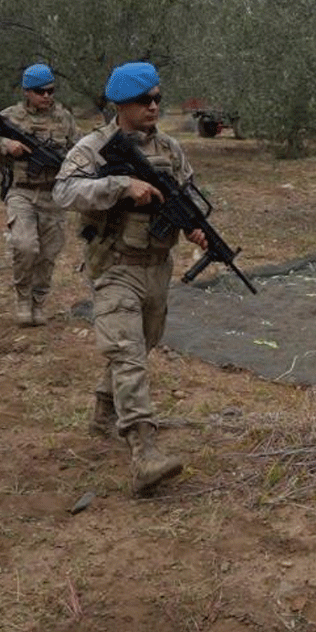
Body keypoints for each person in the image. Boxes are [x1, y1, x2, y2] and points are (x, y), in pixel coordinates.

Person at [52, 62, 207, 496]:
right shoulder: (94, 147)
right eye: (144, 100)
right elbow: (63, 191)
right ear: (120, 104)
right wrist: (120, 186)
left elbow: (188, 193)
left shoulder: (171, 149)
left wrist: (195, 226)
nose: (153, 107)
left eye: (157, 98)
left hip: (157, 267)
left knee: (141, 344)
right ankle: (144, 453)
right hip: (115, 266)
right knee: (127, 353)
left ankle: (104, 410)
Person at [0, 63, 82, 327]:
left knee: (48, 255)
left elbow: (80, 149)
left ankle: (38, 302)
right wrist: (5, 144)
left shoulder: (64, 118)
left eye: (51, 90)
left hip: (54, 195)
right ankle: (22, 299)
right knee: (25, 246)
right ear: (27, 92)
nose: (47, 96)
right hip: (21, 192)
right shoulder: (11, 116)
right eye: (40, 91)